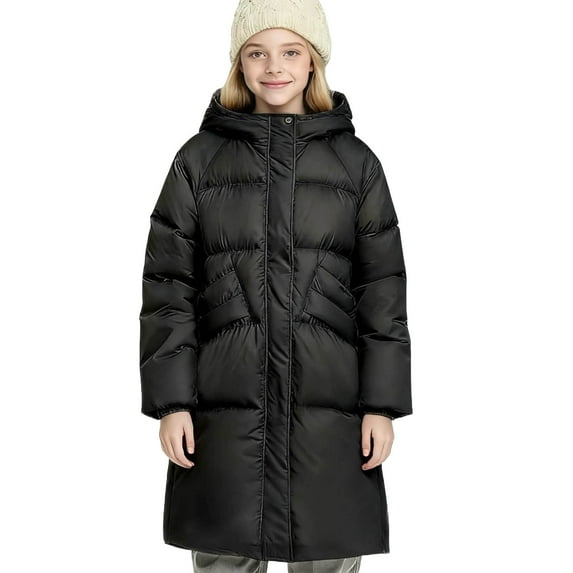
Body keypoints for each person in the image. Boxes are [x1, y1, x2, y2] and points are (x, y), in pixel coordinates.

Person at [138, 0, 413, 571]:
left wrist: (381, 407)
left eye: (291, 51)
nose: (274, 67)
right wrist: (171, 403)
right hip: (223, 406)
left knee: (328, 551)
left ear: (314, 61)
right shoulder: (198, 161)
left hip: (331, 408)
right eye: (256, 53)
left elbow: (382, 293)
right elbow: (168, 288)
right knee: (225, 552)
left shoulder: (356, 165)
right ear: (239, 64)